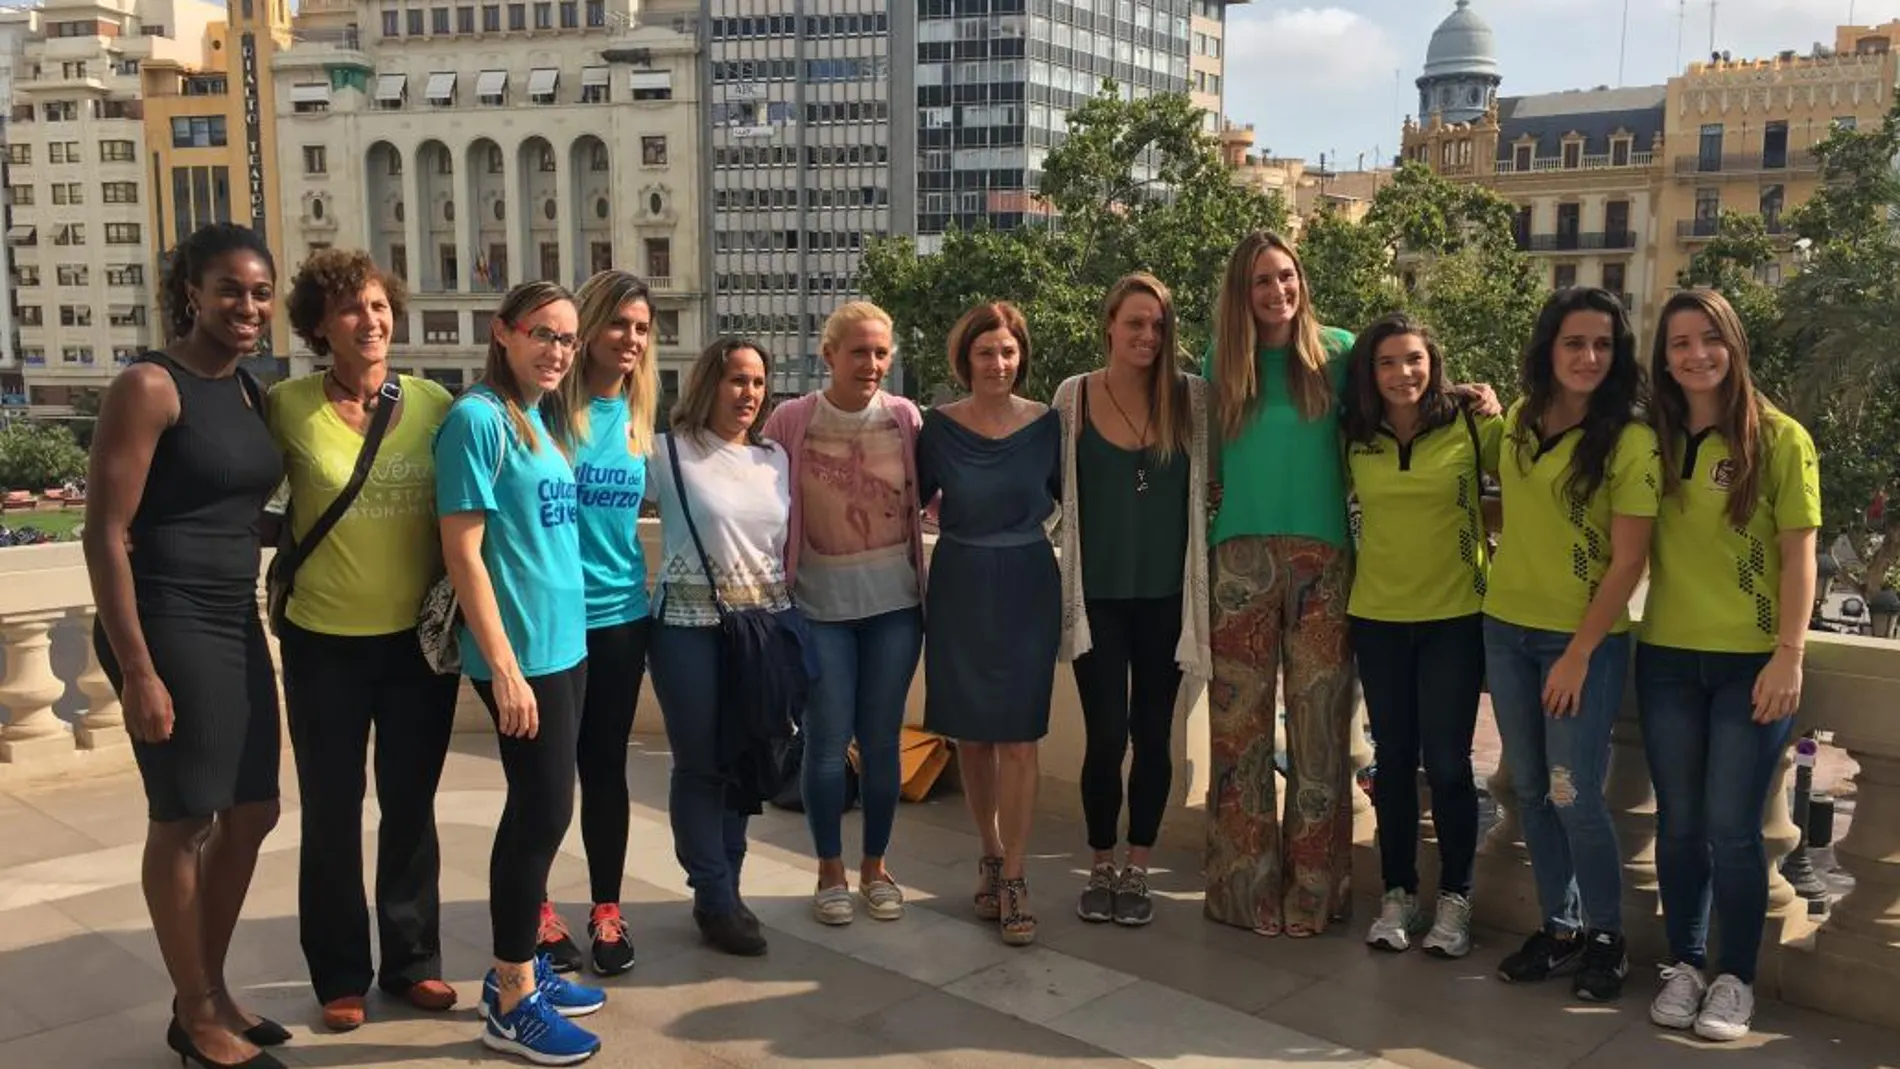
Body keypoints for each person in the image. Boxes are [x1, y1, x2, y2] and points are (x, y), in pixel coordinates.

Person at [82, 222, 289, 1069]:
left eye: (260, 292)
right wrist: (137, 670)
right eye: (230, 289)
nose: (247, 306)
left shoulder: (247, 390)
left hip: (234, 617)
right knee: (184, 816)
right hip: (164, 621)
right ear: (192, 292)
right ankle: (196, 1011)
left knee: (254, 808)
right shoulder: (150, 385)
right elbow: (104, 531)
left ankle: (205, 985)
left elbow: (237, 511)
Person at [270, 249, 459, 1030]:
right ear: (320, 325)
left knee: (411, 806)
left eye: (379, 306)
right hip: (323, 641)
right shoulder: (284, 404)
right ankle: (340, 972)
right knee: (332, 809)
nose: (370, 320)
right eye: (351, 309)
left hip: (417, 644)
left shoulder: (434, 403)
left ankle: (413, 961)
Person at [1639, 289, 1819, 1042]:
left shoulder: (1779, 439)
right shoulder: (1649, 435)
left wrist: (1789, 653)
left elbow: (1798, 552)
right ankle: (1683, 963)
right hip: (1666, 658)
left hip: (1751, 664)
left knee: (1735, 830)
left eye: (1708, 339)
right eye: (1679, 343)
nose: (1695, 355)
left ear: (1733, 344)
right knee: (1678, 825)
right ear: (1664, 357)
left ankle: (1735, 976)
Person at [435, 281, 605, 1065]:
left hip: (563, 645)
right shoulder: (476, 420)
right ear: (502, 332)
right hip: (521, 655)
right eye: (543, 334)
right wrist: (502, 666)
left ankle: (524, 966)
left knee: (549, 807)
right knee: (539, 813)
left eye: (568, 340)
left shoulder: (536, 418)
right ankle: (510, 995)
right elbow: (463, 551)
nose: (558, 351)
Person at [1486, 287, 1658, 1003]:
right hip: (1504, 625)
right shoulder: (1522, 422)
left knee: (1574, 792)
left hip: (1578, 641)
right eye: (1573, 343)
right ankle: (1559, 927)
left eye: (1602, 345)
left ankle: (1607, 936)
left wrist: (1581, 651)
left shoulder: (1631, 439)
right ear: (1547, 349)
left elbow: (1629, 561)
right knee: (1529, 788)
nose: (1588, 357)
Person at [1203, 230, 1361, 938]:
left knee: (1320, 732)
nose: (1278, 291)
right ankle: (1245, 890)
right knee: (1237, 735)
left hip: (1324, 561)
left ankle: (1314, 892)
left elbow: (1407, 395)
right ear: (1243, 293)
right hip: (1238, 560)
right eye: (1262, 281)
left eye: (1286, 276)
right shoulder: (1221, 363)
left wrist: (1473, 398)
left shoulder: (1342, 353)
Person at [1052, 273, 1211, 928]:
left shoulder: (1191, 398)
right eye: (1136, 323)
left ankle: (1137, 865)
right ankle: (1099, 862)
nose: (1148, 336)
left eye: (1159, 325)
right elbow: (1047, 490)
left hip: (1169, 603)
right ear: (1110, 325)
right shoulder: (1074, 397)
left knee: (1153, 736)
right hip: (1098, 602)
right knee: (1106, 736)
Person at [761, 302, 927, 928]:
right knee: (826, 744)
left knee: (883, 744)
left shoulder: (907, 418)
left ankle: (875, 867)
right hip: (818, 610)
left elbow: (934, 495)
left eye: (882, 352)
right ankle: (830, 870)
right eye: (859, 351)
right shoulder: (792, 420)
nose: (872, 364)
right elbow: (762, 499)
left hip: (896, 609)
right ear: (828, 355)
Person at [1341, 313, 1501, 958]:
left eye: (1413, 359)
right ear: (1369, 374)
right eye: (1386, 363)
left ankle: (1456, 901)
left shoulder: (1469, 424)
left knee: (1449, 765)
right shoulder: (1354, 435)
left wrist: (1495, 402)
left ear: (1433, 362)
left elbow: (1533, 470)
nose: (1402, 373)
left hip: (1454, 618)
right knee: (1395, 765)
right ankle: (1398, 895)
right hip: (1377, 618)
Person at [917, 302, 1061, 947]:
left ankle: (1017, 874)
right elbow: (903, 502)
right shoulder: (936, 428)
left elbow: (1069, 498)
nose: (998, 363)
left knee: (1021, 738)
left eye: (1007, 352)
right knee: (973, 737)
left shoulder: (1049, 425)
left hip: (1029, 580)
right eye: (985, 353)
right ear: (965, 359)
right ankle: (989, 850)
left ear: (1020, 356)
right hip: (960, 584)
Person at [648, 337, 793, 957]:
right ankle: (712, 894)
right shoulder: (666, 452)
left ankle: (729, 885)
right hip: (687, 627)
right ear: (708, 383)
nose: (749, 394)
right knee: (701, 762)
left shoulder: (774, 458)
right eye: (737, 380)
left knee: (744, 758)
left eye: (758, 383)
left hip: (762, 628)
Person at [535, 270, 660, 976]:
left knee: (604, 769)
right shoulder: (550, 410)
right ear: (588, 328)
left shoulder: (643, 419)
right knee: (547, 776)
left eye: (642, 328)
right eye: (619, 323)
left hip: (622, 616)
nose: (631, 339)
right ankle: (536, 907)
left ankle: (606, 909)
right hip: (553, 616)